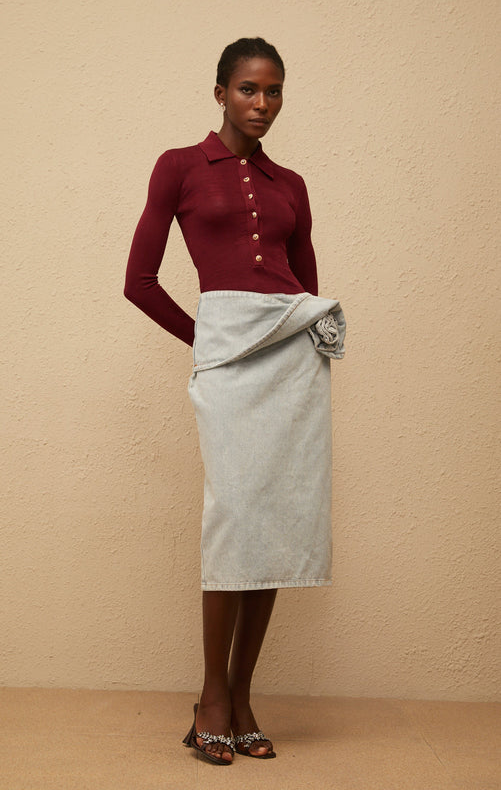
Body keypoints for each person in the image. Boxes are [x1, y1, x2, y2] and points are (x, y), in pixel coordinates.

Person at [124, 37, 345, 766]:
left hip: (291, 365)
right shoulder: (180, 167)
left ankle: (243, 698)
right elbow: (139, 281)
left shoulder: (292, 184)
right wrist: (209, 344)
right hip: (229, 361)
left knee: (274, 526)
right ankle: (211, 697)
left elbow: (306, 291)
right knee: (234, 517)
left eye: (274, 90)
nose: (262, 103)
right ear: (220, 92)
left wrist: (313, 344)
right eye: (249, 89)